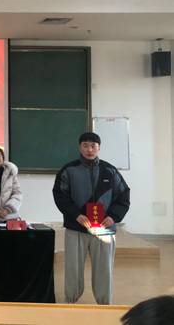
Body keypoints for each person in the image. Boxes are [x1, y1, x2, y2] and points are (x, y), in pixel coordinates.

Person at [53, 131, 130, 305]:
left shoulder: (110, 170)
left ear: (99, 148)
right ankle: (70, 302)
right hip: (76, 227)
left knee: (104, 269)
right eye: (85, 145)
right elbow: (60, 195)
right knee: (73, 269)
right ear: (79, 147)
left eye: (93, 146)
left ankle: (104, 304)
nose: (89, 149)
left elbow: (124, 195)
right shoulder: (68, 170)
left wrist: (113, 217)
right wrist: (76, 215)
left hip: (104, 228)